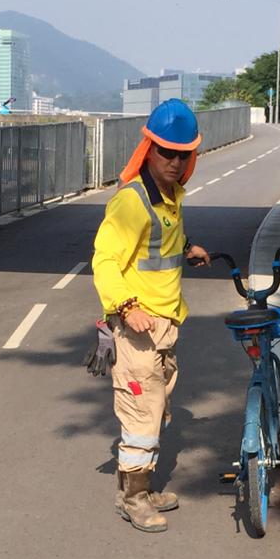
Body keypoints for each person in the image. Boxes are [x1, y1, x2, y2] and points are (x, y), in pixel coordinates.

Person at [91, 99, 211, 533]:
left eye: (184, 155)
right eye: (167, 153)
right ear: (148, 150)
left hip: (165, 327)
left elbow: (157, 246)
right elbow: (105, 261)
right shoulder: (132, 202)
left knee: (156, 409)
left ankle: (142, 486)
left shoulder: (170, 197)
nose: (175, 163)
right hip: (138, 328)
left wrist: (187, 249)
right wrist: (127, 306)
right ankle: (133, 499)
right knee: (141, 416)